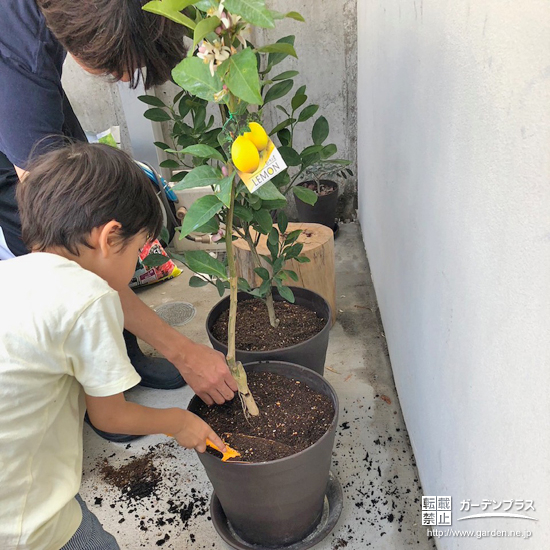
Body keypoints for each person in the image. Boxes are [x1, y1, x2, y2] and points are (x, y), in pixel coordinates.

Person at [0, 0, 237, 439]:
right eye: (116, 66)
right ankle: (98, 385)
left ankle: (122, 357)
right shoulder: (20, 56)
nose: (126, 78)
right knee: (62, 250)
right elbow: (66, 253)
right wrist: (183, 352)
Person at [0, 142, 227, 549]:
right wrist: (178, 422)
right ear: (108, 238)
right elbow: (109, 416)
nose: (140, 262)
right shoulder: (90, 297)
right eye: (140, 249)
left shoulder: (11, 275)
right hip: (25, 521)